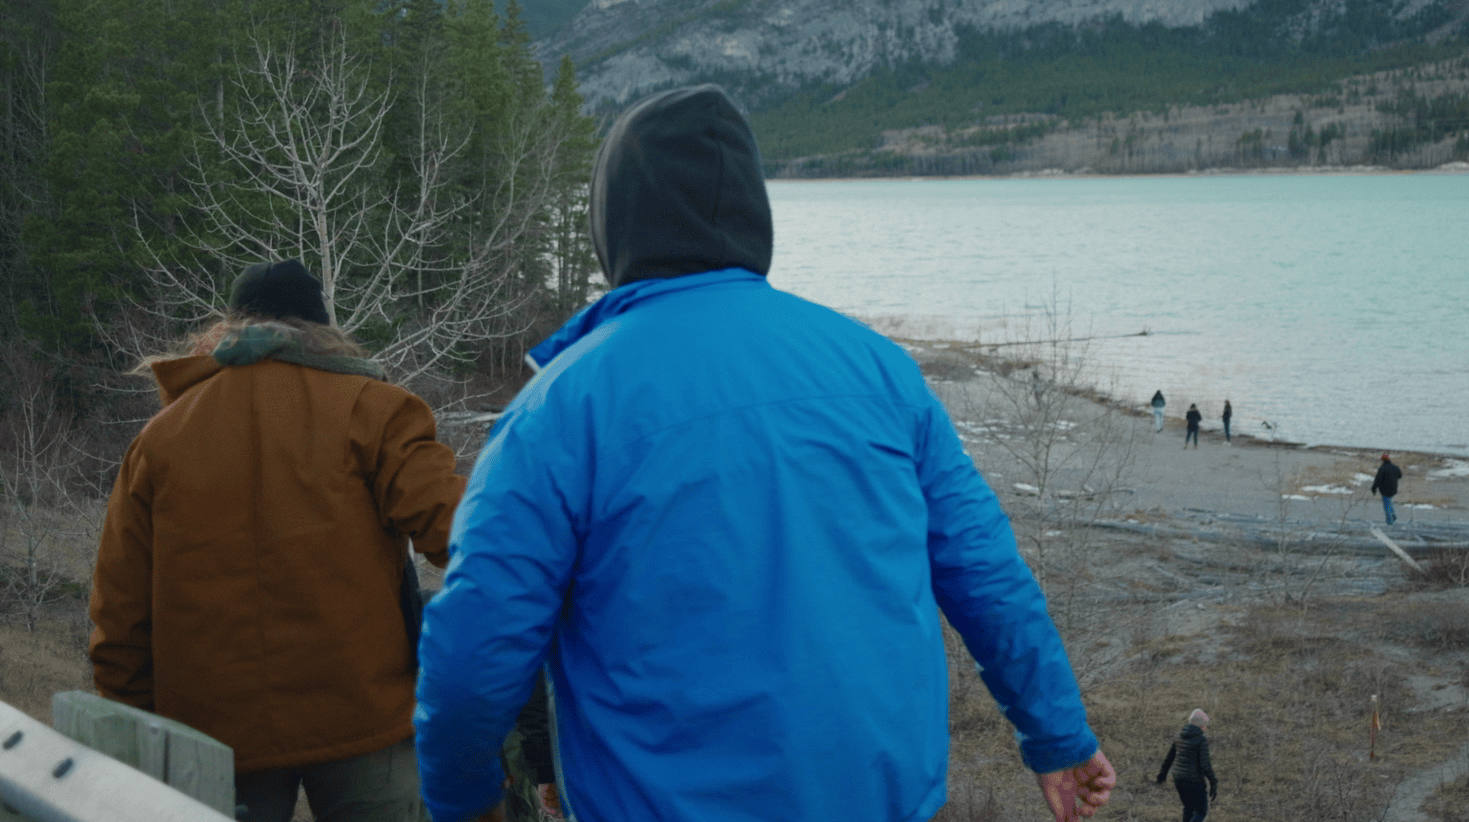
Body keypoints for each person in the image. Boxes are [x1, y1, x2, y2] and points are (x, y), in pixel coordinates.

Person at [412, 86, 1115, 822]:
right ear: (753, 215)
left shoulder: (558, 410)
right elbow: (988, 575)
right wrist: (1057, 734)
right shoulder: (880, 371)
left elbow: (472, 658)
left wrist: (465, 804)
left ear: (614, 224)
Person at [90, 259, 464, 822]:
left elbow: (119, 611)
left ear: (228, 328)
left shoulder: (160, 440)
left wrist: (139, 723)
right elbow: (462, 533)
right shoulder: (374, 409)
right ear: (322, 329)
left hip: (212, 740)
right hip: (362, 718)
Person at [1154, 708, 1219, 822]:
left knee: (1188, 808)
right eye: (1204, 725)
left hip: (1178, 778)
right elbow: (1205, 765)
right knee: (1201, 811)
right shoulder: (1201, 740)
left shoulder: (1178, 736)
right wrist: (1213, 782)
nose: (1205, 728)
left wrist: (1162, 774)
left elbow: (1169, 758)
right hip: (1195, 780)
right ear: (1199, 725)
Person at [1370, 452, 1401, 525]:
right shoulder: (1395, 467)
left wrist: (1373, 488)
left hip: (1385, 490)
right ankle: (1393, 515)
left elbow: (1377, 480)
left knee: (1386, 505)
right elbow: (1400, 475)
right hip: (1393, 489)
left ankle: (1390, 522)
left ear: (1383, 460)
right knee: (1389, 501)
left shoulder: (1382, 469)